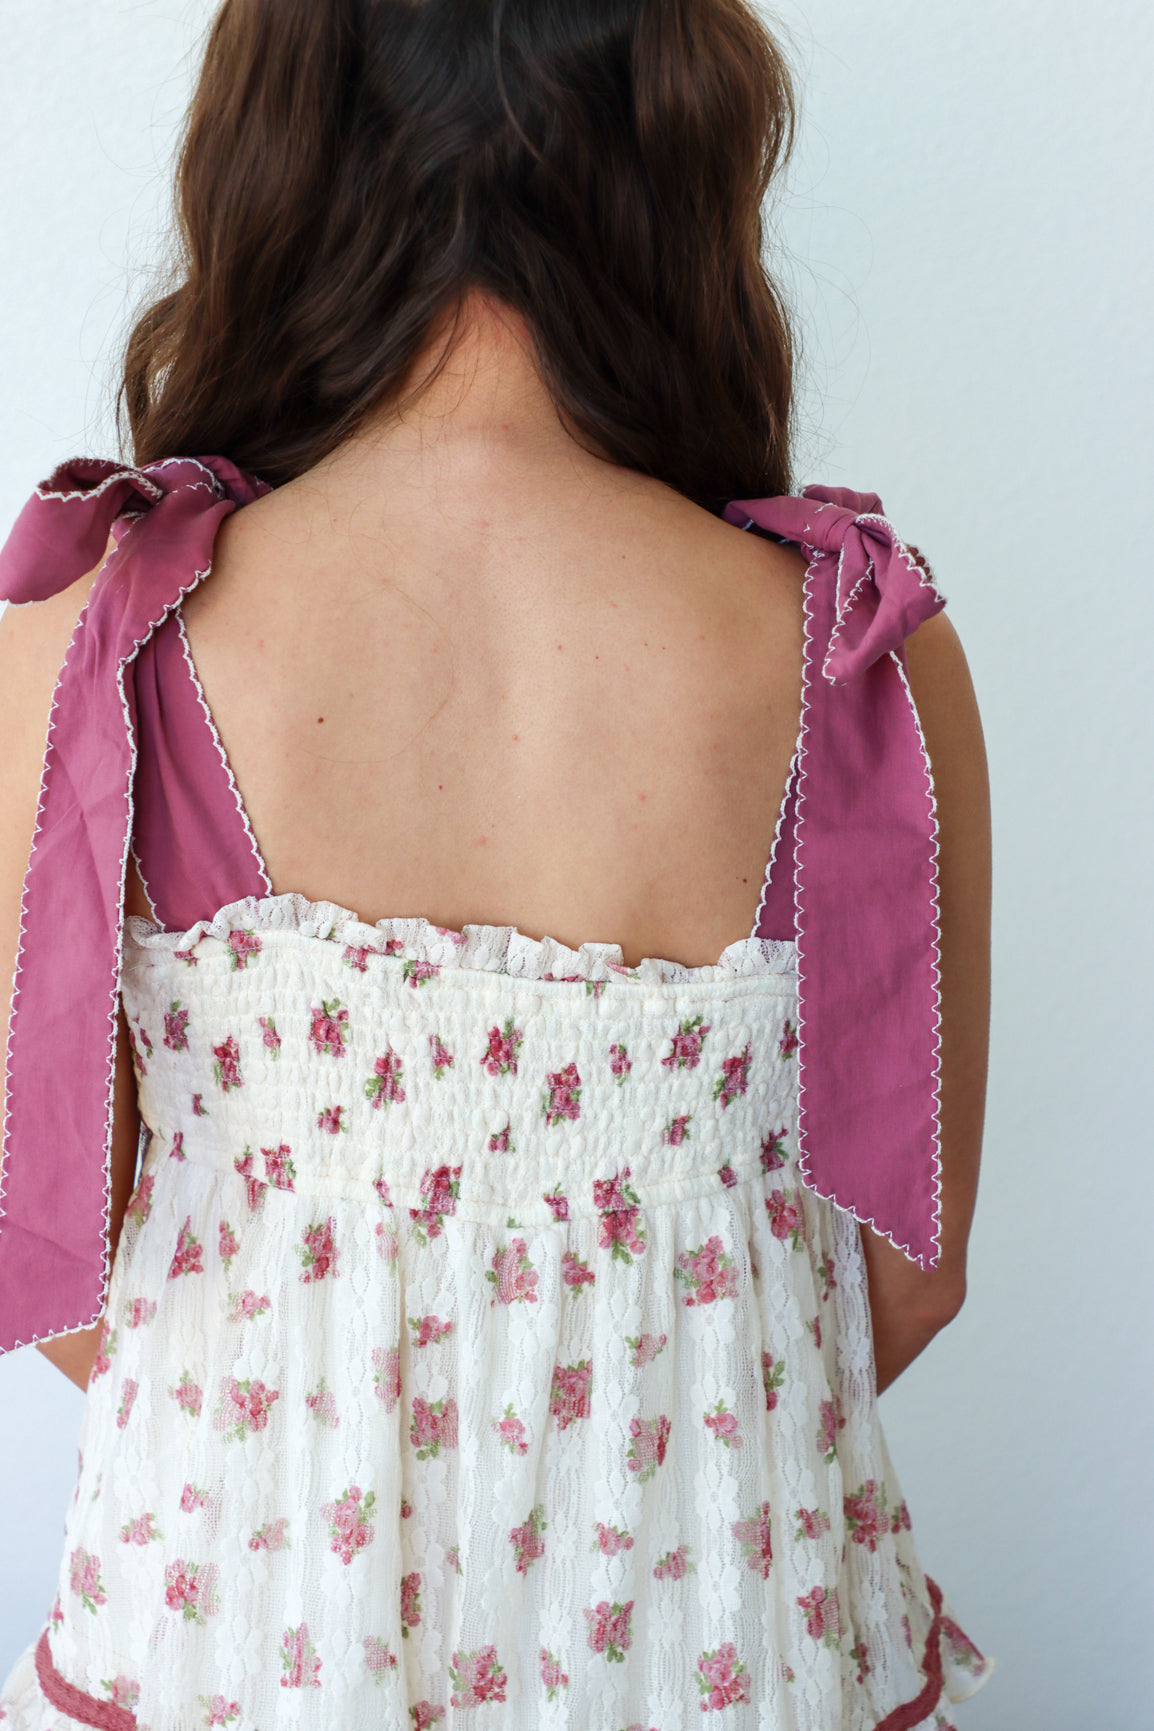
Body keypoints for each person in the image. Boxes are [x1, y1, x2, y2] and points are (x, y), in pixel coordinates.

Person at [0, 1, 994, 1725]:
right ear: (670, 170)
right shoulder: (852, 651)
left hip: (241, 1635)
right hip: (723, 1640)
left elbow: (63, 1268)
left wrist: (343, 1433)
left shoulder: (92, 639)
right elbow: (901, 1275)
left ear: (274, 163)